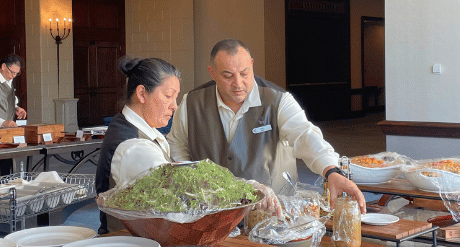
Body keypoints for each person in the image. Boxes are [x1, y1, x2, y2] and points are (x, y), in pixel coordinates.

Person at [168, 39, 366, 212]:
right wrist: (191, 179)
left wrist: (331, 170)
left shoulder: (278, 100)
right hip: (213, 211)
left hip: (274, 211)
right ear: (212, 73)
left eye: (244, 73)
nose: (238, 83)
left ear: (252, 65)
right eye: (228, 76)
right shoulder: (191, 103)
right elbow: (177, 146)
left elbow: (304, 134)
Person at [95, 57, 182, 234]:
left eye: (176, 97)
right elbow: (175, 201)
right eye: (168, 96)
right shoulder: (134, 147)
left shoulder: (131, 125)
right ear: (142, 94)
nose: (175, 106)